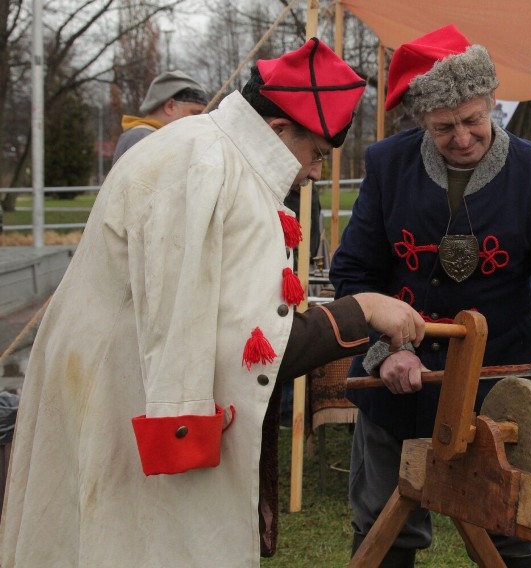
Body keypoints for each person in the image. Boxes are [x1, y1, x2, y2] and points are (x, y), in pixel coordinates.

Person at [0, 38, 428, 568]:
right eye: (315, 153)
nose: (316, 172)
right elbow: (239, 347)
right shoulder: (203, 163)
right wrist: (360, 310)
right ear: (276, 130)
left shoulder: (208, 150)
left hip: (122, 383)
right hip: (123, 392)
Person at [329, 24, 531, 568]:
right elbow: (355, 272)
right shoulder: (388, 164)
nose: (461, 137)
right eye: (443, 127)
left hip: (500, 392)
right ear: (423, 121)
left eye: (473, 120)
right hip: (396, 390)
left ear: (491, 103)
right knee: (383, 528)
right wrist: (389, 349)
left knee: (510, 535)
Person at [112, 70, 208, 164]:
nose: (199, 120)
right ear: (170, 106)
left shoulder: (151, 137)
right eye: (195, 113)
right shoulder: (142, 138)